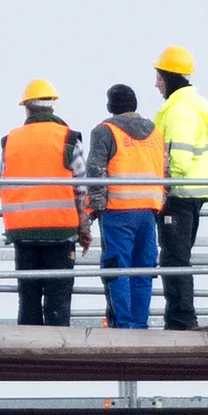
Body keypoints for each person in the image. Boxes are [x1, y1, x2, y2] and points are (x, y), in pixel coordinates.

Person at [0, 79, 89, 326]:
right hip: (61, 232)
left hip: (23, 233)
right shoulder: (68, 139)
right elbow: (82, 187)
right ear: (52, 108)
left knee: (28, 299)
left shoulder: (11, 140)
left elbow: (1, 184)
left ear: (27, 108)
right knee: (58, 300)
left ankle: (27, 358)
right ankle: (58, 358)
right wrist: (84, 226)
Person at [152, 45, 208, 330]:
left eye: (159, 77)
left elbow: (178, 159)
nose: (156, 84)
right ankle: (181, 317)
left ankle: (181, 319)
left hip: (179, 193)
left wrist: (162, 187)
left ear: (169, 77)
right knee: (179, 256)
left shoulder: (179, 111)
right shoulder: (195, 105)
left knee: (173, 258)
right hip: (195, 191)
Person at [85, 84, 165, 330]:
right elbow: (167, 172)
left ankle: (124, 324)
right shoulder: (155, 132)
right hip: (148, 212)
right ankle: (140, 324)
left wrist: (95, 210)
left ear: (111, 106)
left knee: (116, 267)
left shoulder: (104, 131)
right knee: (144, 268)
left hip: (118, 210)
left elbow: (95, 172)